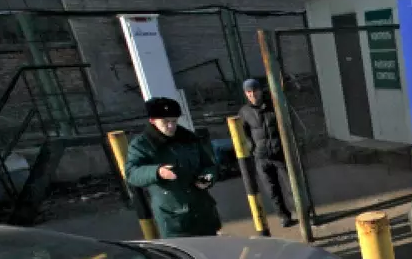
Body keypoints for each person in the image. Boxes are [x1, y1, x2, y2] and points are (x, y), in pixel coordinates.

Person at [125, 97, 221, 238]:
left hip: (203, 213)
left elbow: (209, 165)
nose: (171, 126)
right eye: (165, 122)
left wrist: (207, 177)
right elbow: (132, 173)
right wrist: (157, 172)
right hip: (174, 219)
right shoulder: (142, 145)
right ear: (152, 121)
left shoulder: (188, 138)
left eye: (174, 121)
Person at [237, 78, 294, 228]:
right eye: (249, 92)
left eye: (254, 91)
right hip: (261, 157)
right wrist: (253, 148)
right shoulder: (244, 112)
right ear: (245, 94)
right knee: (272, 190)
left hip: (280, 154)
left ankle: (304, 214)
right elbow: (244, 132)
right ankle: (283, 216)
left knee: (292, 186)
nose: (252, 94)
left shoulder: (274, 106)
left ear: (260, 91)